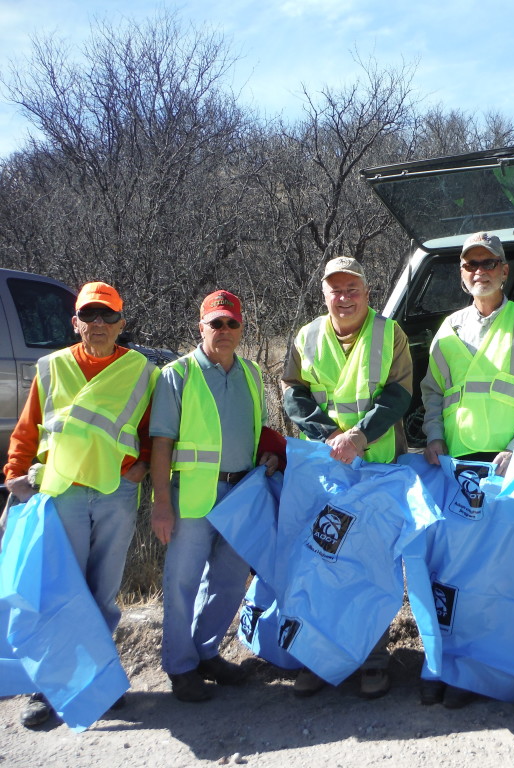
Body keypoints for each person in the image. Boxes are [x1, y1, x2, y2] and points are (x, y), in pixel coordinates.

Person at [4, 281, 158, 728]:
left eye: (108, 316)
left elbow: (152, 428)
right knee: (58, 588)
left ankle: (97, 682)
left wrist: (142, 465)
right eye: (89, 316)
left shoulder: (141, 370)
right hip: (62, 490)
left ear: (121, 324)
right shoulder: (51, 367)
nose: (98, 325)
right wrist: (15, 474)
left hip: (115, 490)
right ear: (75, 323)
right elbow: (28, 426)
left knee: (103, 591)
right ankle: (48, 687)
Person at [419, 230, 514, 707]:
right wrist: (433, 434)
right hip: (457, 468)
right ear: (461, 274)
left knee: (502, 577)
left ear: (504, 270)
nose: (480, 272)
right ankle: (446, 664)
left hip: (508, 469)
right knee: (452, 575)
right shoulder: (448, 329)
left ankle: (487, 671)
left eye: (488, 263)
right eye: (470, 265)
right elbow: (433, 391)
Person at [281, 255, 413, 699]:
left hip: (377, 467)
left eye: (352, 288)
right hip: (327, 467)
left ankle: (373, 659)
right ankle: (317, 658)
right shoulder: (306, 336)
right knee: (321, 559)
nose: (344, 297)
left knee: (373, 563)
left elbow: (399, 394)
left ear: (367, 292)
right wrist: (331, 436)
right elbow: (293, 393)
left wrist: (358, 437)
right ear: (324, 295)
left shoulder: (389, 333)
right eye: (336, 289)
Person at [150, 290, 283, 703]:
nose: (224, 330)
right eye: (215, 323)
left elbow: (256, 429)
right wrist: (160, 504)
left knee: (227, 583)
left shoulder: (251, 372)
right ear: (201, 326)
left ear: (241, 328)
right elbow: (161, 444)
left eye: (232, 323)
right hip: (191, 498)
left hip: (242, 495)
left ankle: (206, 652)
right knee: (182, 584)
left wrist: (269, 456)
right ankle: (180, 666)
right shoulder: (178, 374)